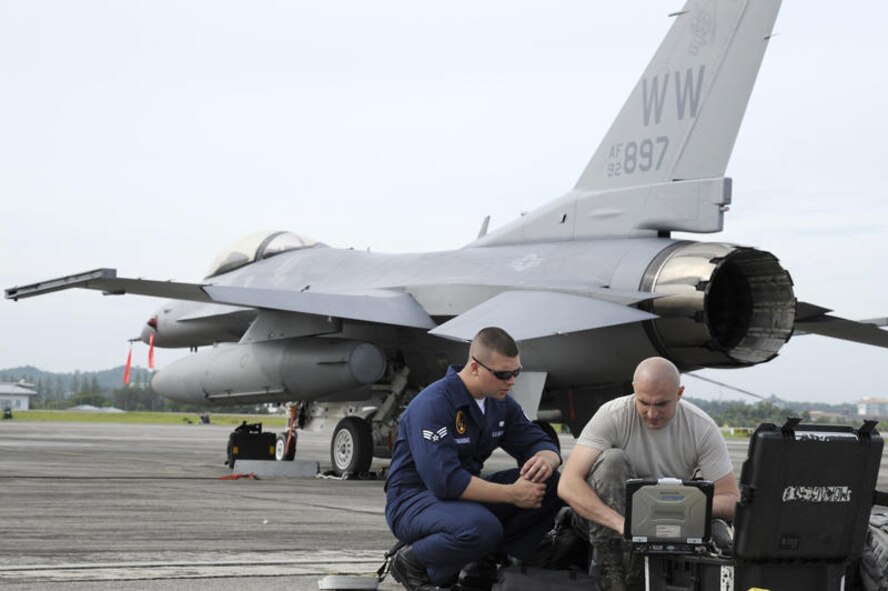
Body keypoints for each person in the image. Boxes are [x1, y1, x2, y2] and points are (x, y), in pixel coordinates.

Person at [385, 326, 563, 590]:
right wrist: (512, 494)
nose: (511, 381)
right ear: (475, 367)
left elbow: (539, 442)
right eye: (503, 374)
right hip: (414, 499)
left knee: (552, 484)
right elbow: (445, 482)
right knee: (482, 528)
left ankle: (483, 563)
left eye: (516, 372)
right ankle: (413, 562)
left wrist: (546, 459)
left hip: (459, 497)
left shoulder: (499, 403)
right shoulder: (433, 405)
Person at [557, 356, 740, 591]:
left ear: (680, 393)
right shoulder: (612, 415)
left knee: (721, 536)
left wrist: (680, 507)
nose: (652, 413)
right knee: (612, 460)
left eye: (662, 404)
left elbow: (731, 499)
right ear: (634, 390)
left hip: (669, 518)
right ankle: (610, 570)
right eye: (644, 403)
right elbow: (568, 484)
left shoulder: (702, 428)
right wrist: (624, 525)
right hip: (609, 521)